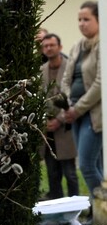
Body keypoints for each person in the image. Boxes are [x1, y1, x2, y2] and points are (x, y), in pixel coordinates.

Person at [60, 1, 101, 199]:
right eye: (79, 20)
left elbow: (101, 83)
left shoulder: (102, 46)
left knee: (86, 166)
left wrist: (78, 108)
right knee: (96, 165)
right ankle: (96, 211)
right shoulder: (77, 46)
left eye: (86, 19)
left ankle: (102, 209)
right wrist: (68, 105)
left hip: (93, 114)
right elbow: (66, 79)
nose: (81, 24)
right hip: (74, 113)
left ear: (99, 20)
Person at [40, 32, 79, 199]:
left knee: (70, 173)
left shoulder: (71, 67)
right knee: (52, 173)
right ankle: (57, 206)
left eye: (52, 45)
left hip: (66, 127)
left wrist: (59, 119)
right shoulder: (41, 71)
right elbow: (38, 98)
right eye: (45, 46)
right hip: (47, 130)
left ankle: (75, 206)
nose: (49, 48)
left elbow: (75, 97)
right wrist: (44, 120)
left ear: (60, 47)